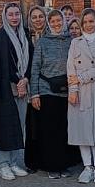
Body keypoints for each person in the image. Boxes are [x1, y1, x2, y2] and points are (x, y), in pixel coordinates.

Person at [68, 8, 95, 183]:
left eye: (91, 21)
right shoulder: (75, 43)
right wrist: (73, 90)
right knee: (82, 129)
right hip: (78, 91)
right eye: (85, 22)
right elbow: (70, 68)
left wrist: (81, 77)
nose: (88, 25)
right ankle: (87, 166)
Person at [0, 2, 31, 180]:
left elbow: (31, 59)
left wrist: (25, 79)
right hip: (7, 89)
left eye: (17, 14)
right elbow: (1, 64)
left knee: (20, 126)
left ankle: (14, 162)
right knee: (7, 127)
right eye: (11, 14)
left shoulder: (25, 35)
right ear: (5, 16)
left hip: (23, 87)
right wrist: (17, 80)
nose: (14, 17)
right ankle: (3, 164)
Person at [30, 9, 72, 178]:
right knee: (49, 131)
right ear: (49, 23)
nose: (56, 24)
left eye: (58, 20)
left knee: (63, 130)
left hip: (66, 92)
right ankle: (51, 166)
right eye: (53, 21)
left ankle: (63, 164)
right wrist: (35, 94)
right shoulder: (43, 42)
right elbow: (35, 68)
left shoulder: (71, 41)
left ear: (63, 21)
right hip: (47, 91)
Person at [24, 6, 47, 173]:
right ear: (30, 20)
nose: (38, 20)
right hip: (30, 84)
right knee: (32, 125)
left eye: (41, 16)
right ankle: (32, 161)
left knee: (46, 125)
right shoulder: (25, 37)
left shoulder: (50, 36)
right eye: (34, 17)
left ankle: (46, 158)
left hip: (47, 85)